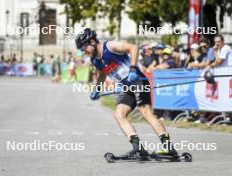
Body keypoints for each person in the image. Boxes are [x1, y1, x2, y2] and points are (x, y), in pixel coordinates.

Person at [75, 28, 177, 158]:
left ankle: (168, 147)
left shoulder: (110, 46)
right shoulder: (95, 60)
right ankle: (138, 148)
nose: (83, 51)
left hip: (138, 81)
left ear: (92, 41)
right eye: (81, 49)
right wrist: (97, 88)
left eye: (83, 47)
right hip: (127, 87)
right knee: (119, 114)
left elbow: (133, 47)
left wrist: (133, 68)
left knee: (145, 112)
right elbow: (102, 73)